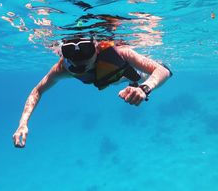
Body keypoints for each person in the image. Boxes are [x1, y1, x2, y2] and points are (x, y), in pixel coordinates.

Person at [13, 36, 172, 148]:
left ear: (96, 48)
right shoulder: (64, 68)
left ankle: (139, 81)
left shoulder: (121, 52)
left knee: (148, 74)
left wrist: (145, 88)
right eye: (70, 54)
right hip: (113, 78)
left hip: (133, 74)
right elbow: (37, 90)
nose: (79, 61)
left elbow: (163, 71)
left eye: (86, 51)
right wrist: (23, 123)